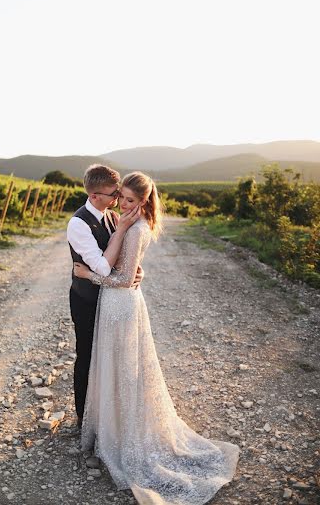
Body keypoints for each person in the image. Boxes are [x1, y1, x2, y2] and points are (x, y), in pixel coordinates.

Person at [73, 171, 240, 505]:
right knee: (112, 366)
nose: (123, 204)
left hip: (120, 304)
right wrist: (134, 269)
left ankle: (124, 433)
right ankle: (109, 425)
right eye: (121, 198)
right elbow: (128, 267)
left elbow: (121, 279)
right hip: (114, 305)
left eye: (130, 201)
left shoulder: (135, 227)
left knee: (124, 368)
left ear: (144, 201)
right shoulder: (116, 220)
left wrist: (87, 274)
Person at [67, 164, 142, 429]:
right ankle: (83, 419)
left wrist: (135, 270)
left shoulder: (110, 215)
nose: (118, 199)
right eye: (114, 194)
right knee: (86, 356)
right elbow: (101, 267)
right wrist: (121, 230)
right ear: (95, 195)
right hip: (86, 299)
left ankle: (107, 416)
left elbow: (120, 258)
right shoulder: (78, 224)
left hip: (112, 299)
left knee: (109, 357)